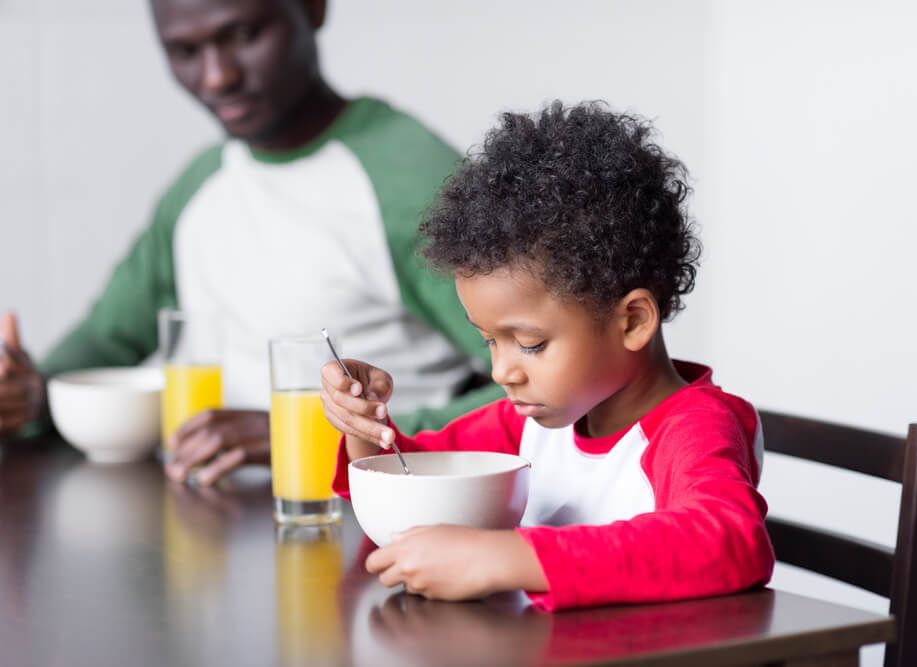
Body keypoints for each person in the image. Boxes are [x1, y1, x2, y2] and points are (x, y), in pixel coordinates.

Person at [0, 0, 502, 485]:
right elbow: (106, 339)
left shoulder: (410, 180)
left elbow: (537, 386)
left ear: (312, 8)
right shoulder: (199, 185)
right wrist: (28, 393)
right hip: (211, 519)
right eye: (185, 52)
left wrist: (308, 435)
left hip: (366, 521)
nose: (217, 76)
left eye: (243, 36)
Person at [321, 101, 774, 610]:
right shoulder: (528, 423)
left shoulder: (693, 427)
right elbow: (416, 480)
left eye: (531, 344)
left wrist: (503, 557)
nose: (501, 371)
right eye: (490, 340)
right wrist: (363, 426)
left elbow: (728, 540)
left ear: (632, 322)